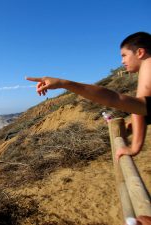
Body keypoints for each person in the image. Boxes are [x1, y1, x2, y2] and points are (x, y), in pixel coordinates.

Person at [26, 31, 151, 225]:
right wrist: (133, 133)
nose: (122, 62)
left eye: (124, 55)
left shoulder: (149, 67)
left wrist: (64, 83)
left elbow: (118, 100)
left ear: (141, 52)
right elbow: (138, 107)